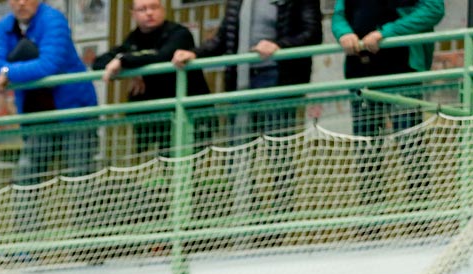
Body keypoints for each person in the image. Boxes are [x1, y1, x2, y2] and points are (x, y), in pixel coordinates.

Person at [170, 0, 322, 228]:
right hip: (240, 81)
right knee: (237, 154)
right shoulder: (238, 2)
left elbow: (312, 34)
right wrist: (194, 53)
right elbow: (223, 39)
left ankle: (280, 223)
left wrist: (278, 45)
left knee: (279, 154)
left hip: (277, 79)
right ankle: (248, 220)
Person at [0, 0, 100, 236]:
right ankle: (27, 244)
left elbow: (47, 65)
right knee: (26, 176)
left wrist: (9, 72)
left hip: (73, 112)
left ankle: (88, 243)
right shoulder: (5, 26)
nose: (21, 3)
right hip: (37, 116)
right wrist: (5, 70)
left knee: (80, 176)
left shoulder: (53, 20)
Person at [330, 0, 443, 204]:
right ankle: (371, 221)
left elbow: (433, 9)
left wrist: (385, 33)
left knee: (410, 146)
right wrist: (344, 33)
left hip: (402, 71)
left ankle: (421, 219)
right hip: (361, 73)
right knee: (366, 151)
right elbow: (339, 15)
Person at [91, 0, 209, 157]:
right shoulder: (133, 39)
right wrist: (132, 69)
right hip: (155, 121)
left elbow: (163, 56)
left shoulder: (179, 33)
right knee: (160, 168)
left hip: (188, 115)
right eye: (142, 9)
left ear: (163, 9)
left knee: (190, 166)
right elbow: (99, 62)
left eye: (154, 7)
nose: (149, 13)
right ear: (133, 14)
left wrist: (125, 61)